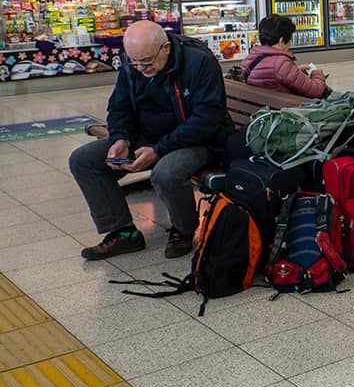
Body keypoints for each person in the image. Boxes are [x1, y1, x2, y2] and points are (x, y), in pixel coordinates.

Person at [69, 21, 234, 260]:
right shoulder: (134, 63)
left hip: (199, 139)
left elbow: (207, 118)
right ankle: (123, 233)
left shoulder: (199, 62)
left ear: (165, 48)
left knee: (166, 171)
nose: (140, 68)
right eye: (134, 62)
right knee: (84, 160)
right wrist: (120, 138)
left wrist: (159, 149)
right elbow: (119, 106)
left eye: (146, 62)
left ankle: (184, 229)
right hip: (147, 136)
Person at [241, 14, 329, 98]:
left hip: (263, 106)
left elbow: (273, 75)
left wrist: (296, 71)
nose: (290, 43)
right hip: (285, 109)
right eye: (290, 39)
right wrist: (317, 72)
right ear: (281, 40)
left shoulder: (249, 59)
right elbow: (316, 91)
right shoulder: (281, 63)